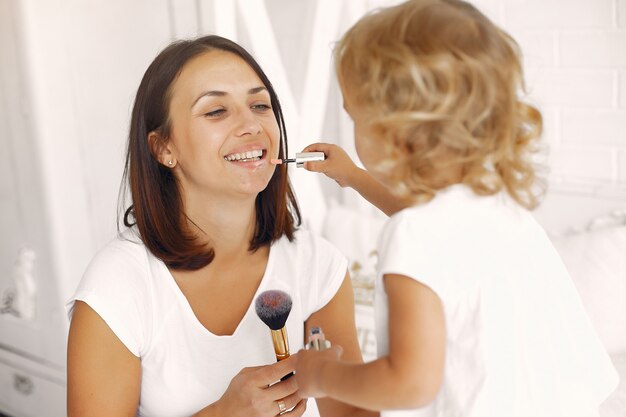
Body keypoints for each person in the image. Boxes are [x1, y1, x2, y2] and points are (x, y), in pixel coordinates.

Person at [294, 1, 619, 416]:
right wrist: (355, 177)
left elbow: (409, 384)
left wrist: (322, 374)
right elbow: (436, 234)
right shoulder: (494, 199)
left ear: (394, 130)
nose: (351, 125)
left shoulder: (414, 235)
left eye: (354, 117)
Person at [66, 35, 376, 417]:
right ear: (164, 148)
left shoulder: (318, 265)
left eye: (260, 105)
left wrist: (337, 381)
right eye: (216, 111)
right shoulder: (118, 285)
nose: (251, 125)